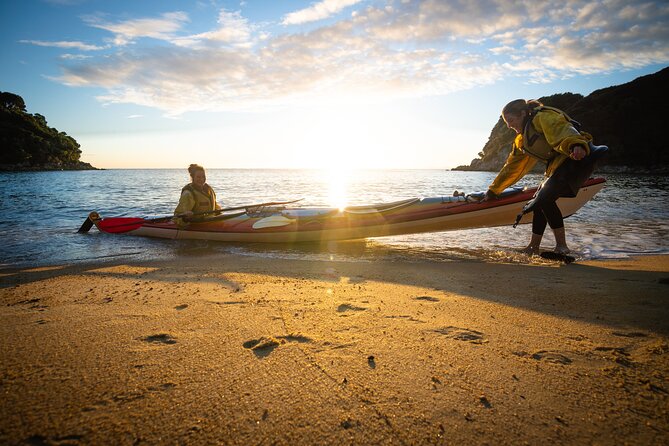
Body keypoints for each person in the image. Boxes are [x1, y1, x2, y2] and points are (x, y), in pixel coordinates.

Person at [485, 99, 606, 255]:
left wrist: (576, 145)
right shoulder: (522, 140)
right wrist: (493, 190)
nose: (509, 125)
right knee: (538, 203)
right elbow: (512, 168)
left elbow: (562, 130)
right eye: (506, 122)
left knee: (545, 199)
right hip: (558, 165)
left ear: (522, 114)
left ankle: (562, 247)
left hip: (576, 158)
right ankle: (533, 247)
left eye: (511, 120)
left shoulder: (543, 117)